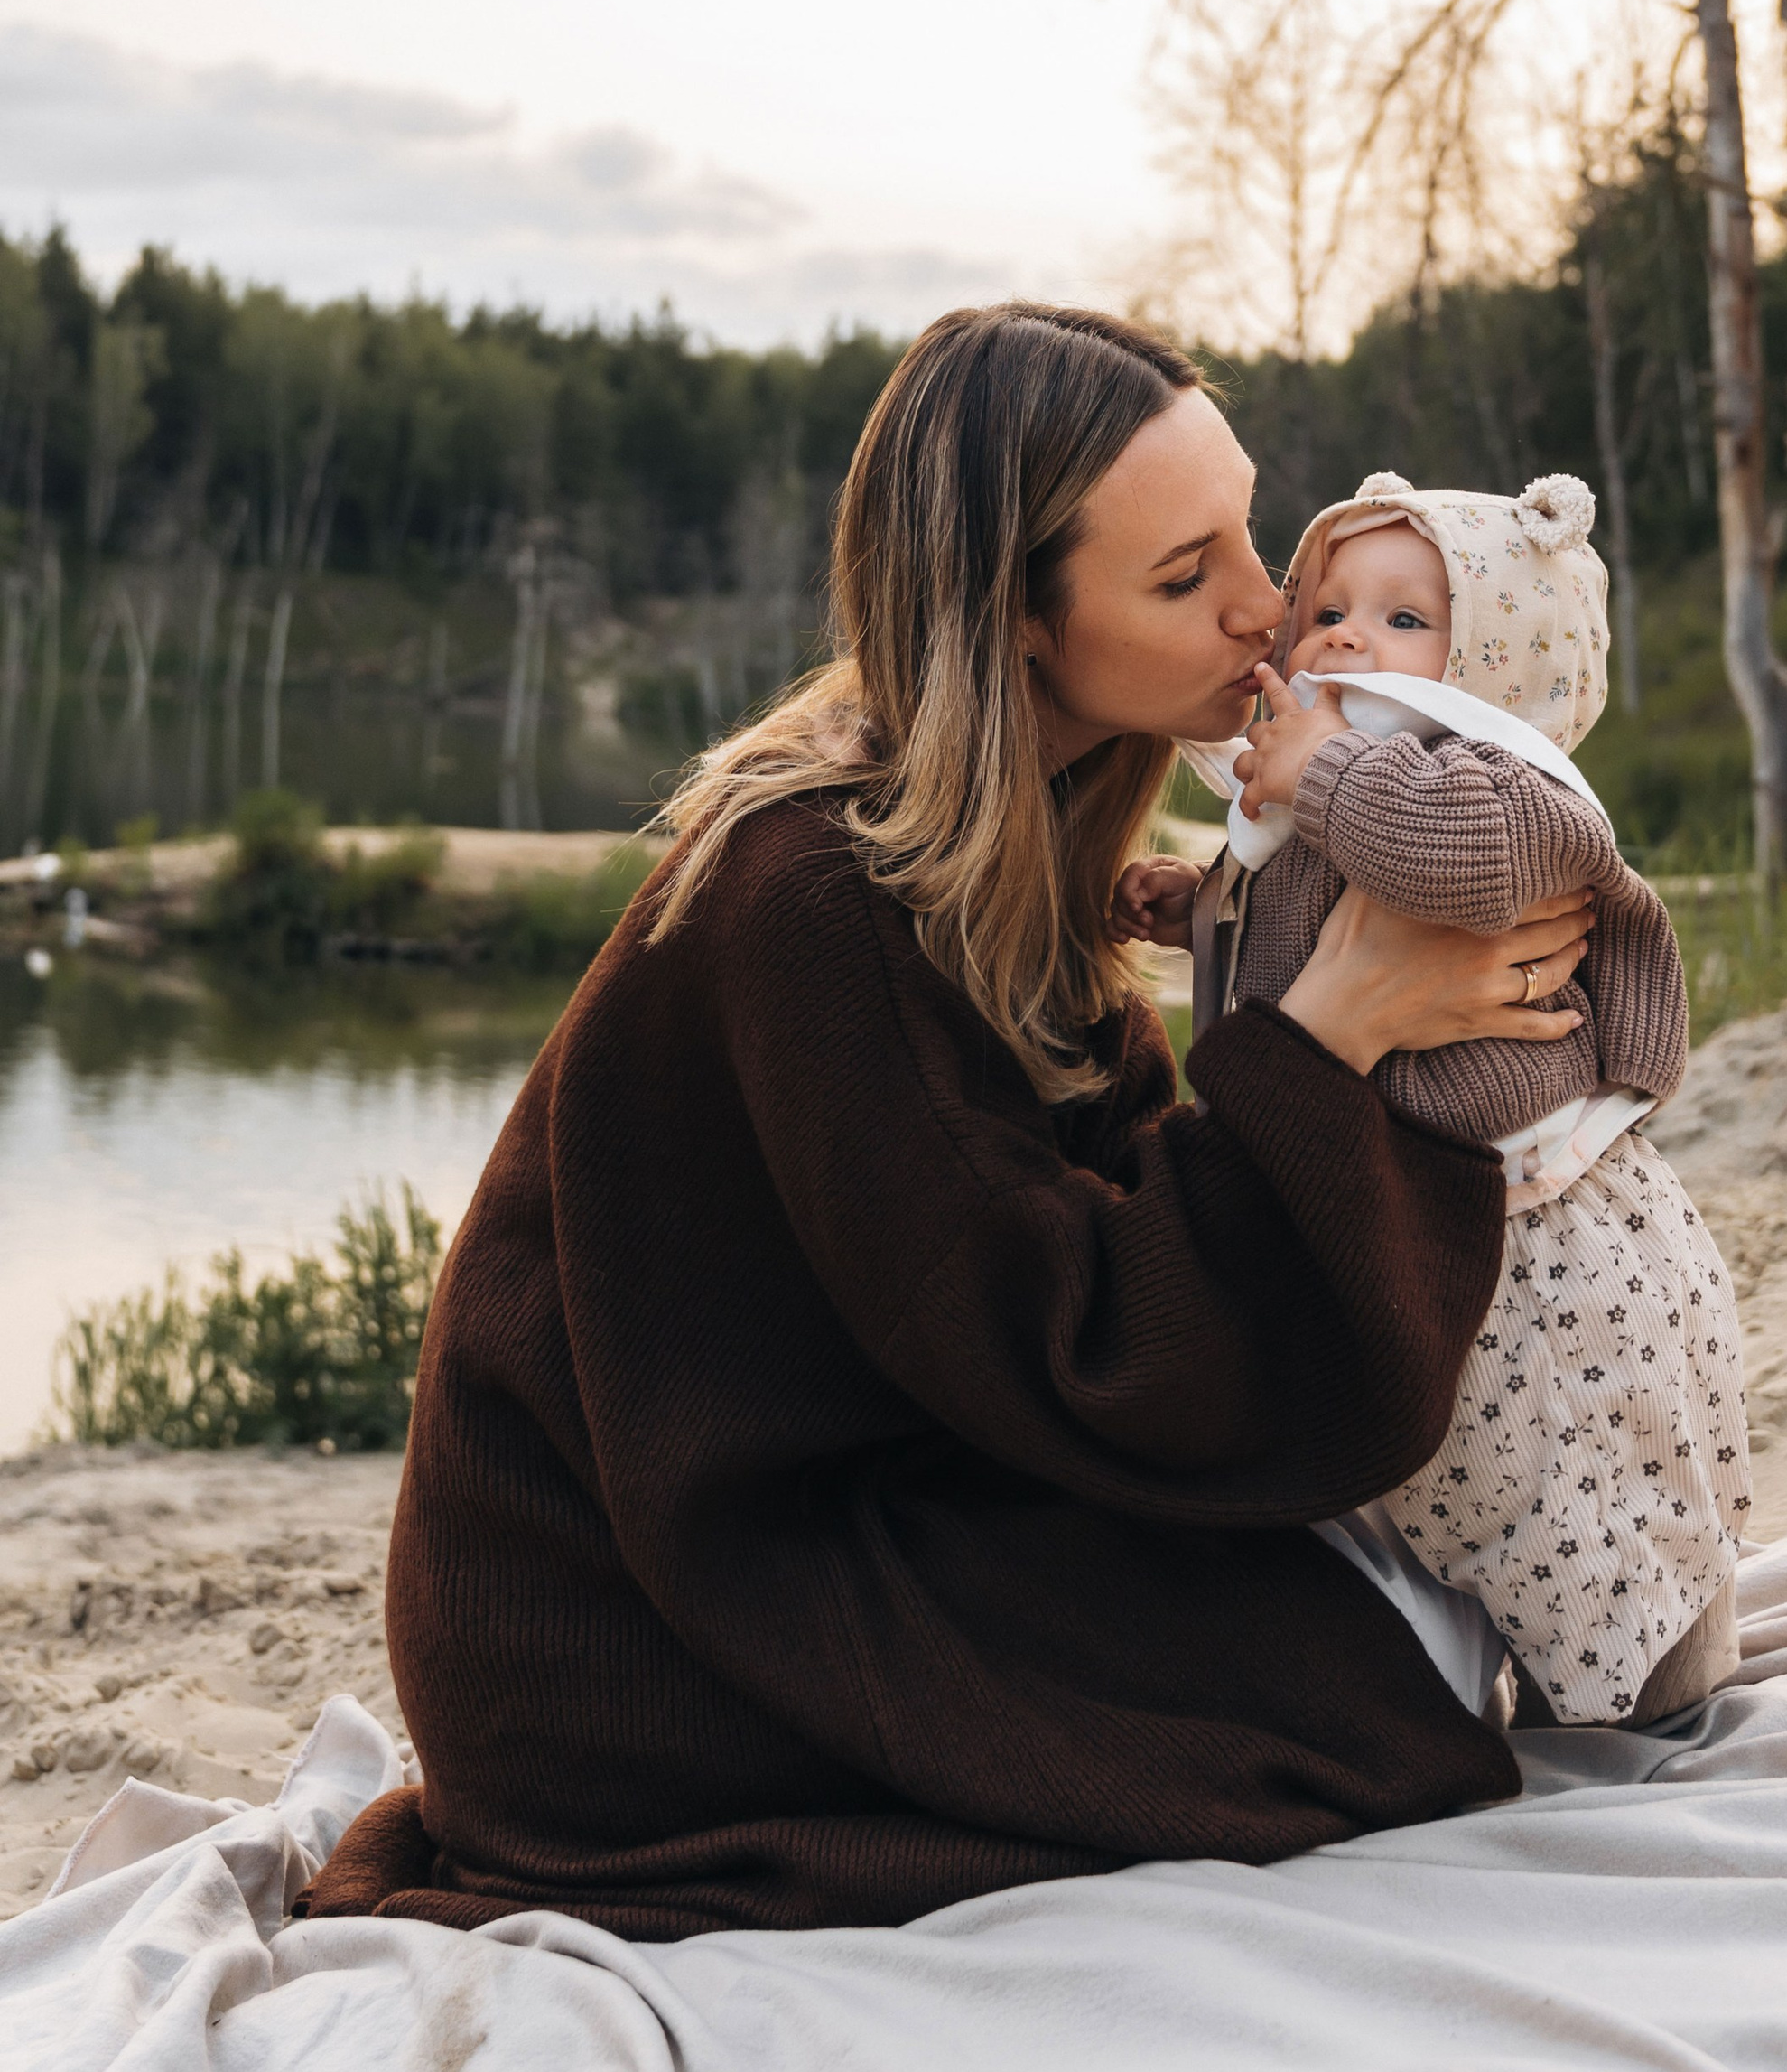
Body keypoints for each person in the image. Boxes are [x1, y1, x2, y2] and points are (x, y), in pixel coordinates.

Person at [302, 304, 1598, 1939]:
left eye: (1248, 535)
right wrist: (1330, 1032)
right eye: (1183, 577)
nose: (1268, 609)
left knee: (1384, 1647)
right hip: (643, 1638)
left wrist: (1341, 1007)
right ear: (1021, 625)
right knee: (1372, 1707)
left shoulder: (1029, 835)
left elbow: (1104, 1230)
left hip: (880, 1481)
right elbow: (1075, 1348)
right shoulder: (812, 892)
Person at [1117, 471, 1748, 1726]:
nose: (1347, 638)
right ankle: (1495, 1681)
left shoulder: (1507, 788)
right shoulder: (1343, 790)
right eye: (1328, 609)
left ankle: (1661, 1694)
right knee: (1467, 1493)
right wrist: (1198, 906)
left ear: (1506, 664)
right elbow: (1304, 929)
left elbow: (1462, 865)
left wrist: (1323, 775)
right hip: (1420, 1219)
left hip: (1542, 1236)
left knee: (1589, 1472)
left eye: (1404, 619)